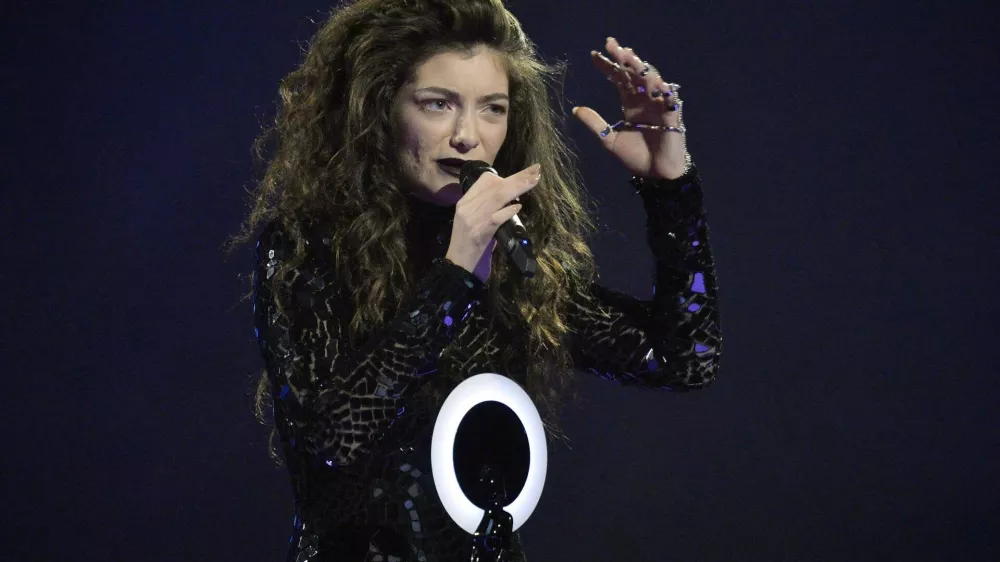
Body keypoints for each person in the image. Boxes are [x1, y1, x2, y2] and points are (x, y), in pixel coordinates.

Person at [230, 0, 722, 559]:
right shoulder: (307, 246)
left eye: (492, 108)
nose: (468, 136)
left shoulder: (511, 256)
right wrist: (454, 275)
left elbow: (685, 358)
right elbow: (329, 452)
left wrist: (670, 188)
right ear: (380, 109)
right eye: (438, 104)